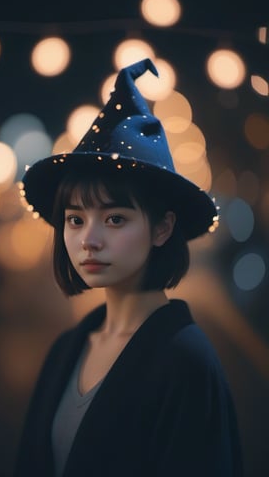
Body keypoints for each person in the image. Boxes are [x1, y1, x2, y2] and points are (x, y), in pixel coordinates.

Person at [14, 59, 243, 477]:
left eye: (115, 218)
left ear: (162, 228)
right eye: (75, 219)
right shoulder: (67, 348)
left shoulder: (188, 364)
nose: (89, 240)